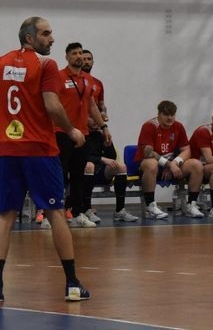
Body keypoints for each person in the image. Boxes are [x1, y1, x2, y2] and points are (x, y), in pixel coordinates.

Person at [0, 16, 90, 301]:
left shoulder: (1, 63)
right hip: (39, 148)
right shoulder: (46, 64)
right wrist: (71, 130)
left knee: (5, 216)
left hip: (7, 149)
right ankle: (72, 284)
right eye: (46, 34)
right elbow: (52, 106)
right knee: (55, 213)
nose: (52, 38)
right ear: (30, 38)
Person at [55, 42, 111, 228]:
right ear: (67, 57)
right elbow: (53, 105)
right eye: (74, 53)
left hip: (83, 134)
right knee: (59, 175)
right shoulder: (59, 77)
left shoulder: (88, 80)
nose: (79, 56)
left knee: (79, 175)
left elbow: (92, 105)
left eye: (80, 53)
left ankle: (78, 212)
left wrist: (104, 127)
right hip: (62, 132)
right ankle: (51, 215)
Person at [134, 100, 204, 219]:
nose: (170, 118)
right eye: (166, 114)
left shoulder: (178, 126)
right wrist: (168, 164)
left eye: (172, 114)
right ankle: (150, 206)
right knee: (151, 164)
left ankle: (191, 205)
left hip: (171, 164)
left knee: (196, 164)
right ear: (159, 114)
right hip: (150, 165)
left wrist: (175, 163)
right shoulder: (149, 126)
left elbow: (187, 151)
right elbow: (148, 153)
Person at [84, 134, 139, 222]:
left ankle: (120, 211)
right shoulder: (82, 134)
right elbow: (81, 156)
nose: (96, 125)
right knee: (89, 166)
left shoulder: (101, 135)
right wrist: (101, 159)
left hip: (100, 171)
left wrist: (108, 146)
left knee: (121, 167)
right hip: (83, 172)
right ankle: (86, 210)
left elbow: (112, 157)